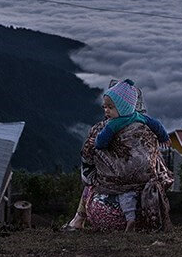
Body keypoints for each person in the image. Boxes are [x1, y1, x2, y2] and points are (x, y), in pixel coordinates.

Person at [64, 79, 172, 232]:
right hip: (149, 214)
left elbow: (88, 162)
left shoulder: (102, 129)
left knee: (91, 177)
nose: (106, 110)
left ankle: (78, 219)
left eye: (109, 106)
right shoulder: (149, 132)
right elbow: (163, 175)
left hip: (104, 215)